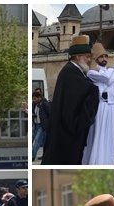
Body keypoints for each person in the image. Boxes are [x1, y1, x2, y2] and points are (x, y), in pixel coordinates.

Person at [41, 35, 99, 165]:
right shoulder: (71, 73)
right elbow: (87, 92)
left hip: (65, 130)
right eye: (86, 57)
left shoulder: (72, 71)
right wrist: (95, 88)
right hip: (67, 132)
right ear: (78, 57)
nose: (89, 60)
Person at [82, 42, 114, 164]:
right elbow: (107, 79)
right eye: (101, 57)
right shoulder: (91, 73)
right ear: (96, 59)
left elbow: (109, 78)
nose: (104, 59)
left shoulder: (112, 71)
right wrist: (104, 72)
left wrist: (105, 72)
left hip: (111, 105)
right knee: (99, 132)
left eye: (105, 57)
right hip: (101, 105)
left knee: (109, 134)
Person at [31, 90, 50, 161]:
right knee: (43, 141)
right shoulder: (35, 104)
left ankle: (32, 156)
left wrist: (47, 125)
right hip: (36, 125)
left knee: (37, 141)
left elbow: (50, 114)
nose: (34, 100)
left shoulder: (45, 104)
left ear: (39, 97)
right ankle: (45, 156)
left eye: (35, 99)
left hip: (42, 126)